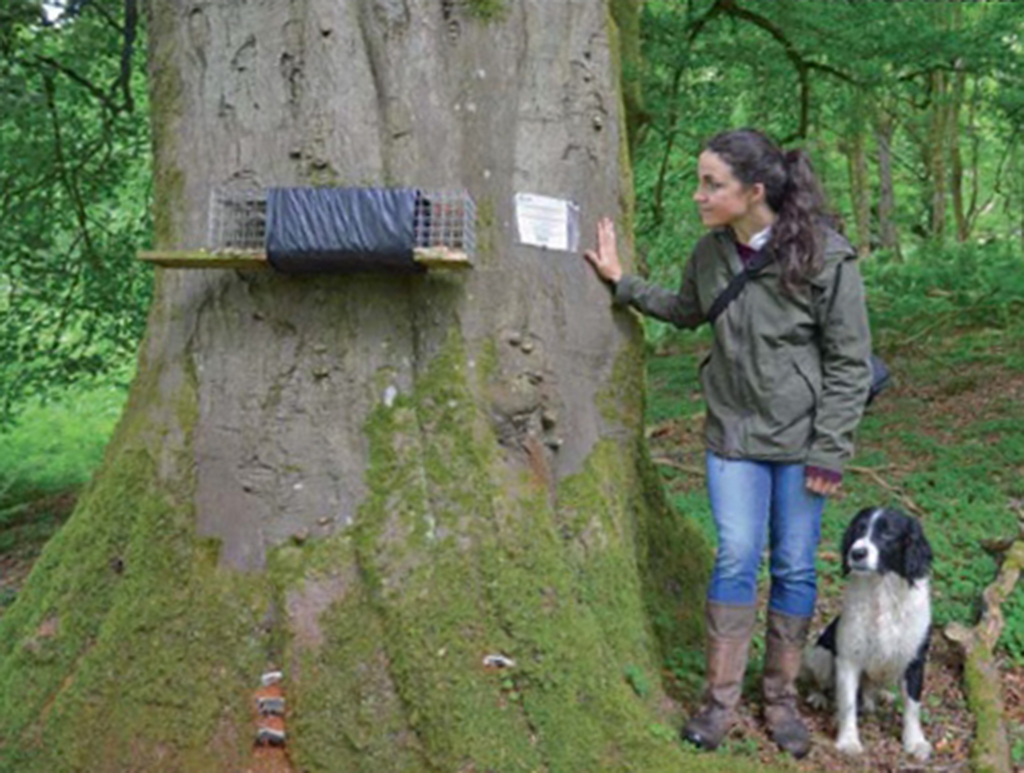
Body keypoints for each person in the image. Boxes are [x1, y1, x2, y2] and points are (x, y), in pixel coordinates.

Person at [583, 128, 872, 758]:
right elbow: (688, 310)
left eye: (712, 184)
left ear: (754, 191)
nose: (698, 195)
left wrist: (831, 450)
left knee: (795, 564)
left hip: (802, 444)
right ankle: (718, 704)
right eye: (699, 181)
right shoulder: (711, 254)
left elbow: (852, 364)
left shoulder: (825, 255)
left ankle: (781, 702)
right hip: (733, 435)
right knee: (737, 555)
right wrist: (621, 281)